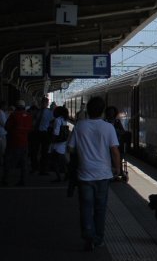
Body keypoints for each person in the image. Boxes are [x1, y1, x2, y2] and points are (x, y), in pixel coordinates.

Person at [68, 96, 121, 251]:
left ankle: (88, 236)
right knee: (100, 208)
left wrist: (82, 152)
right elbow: (114, 151)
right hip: (103, 174)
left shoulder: (80, 126)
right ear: (102, 111)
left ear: (88, 110)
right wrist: (117, 169)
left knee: (85, 207)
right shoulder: (108, 127)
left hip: (84, 173)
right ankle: (99, 238)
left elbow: (70, 148)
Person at [3, 100, 33, 186]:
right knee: (24, 162)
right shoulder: (29, 116)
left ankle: (5, 179)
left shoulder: (13, 115)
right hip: (24, 142)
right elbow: (31, 128)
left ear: (16, 106)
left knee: (8, 161)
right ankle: (23, 180)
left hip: (13, 142)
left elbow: (6, 126)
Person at [48, 106, 70, 182]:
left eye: (55, 111)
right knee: (61, 160)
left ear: (58, 112)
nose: (53, 112)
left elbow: (56, 133)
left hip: (56, 144)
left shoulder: (57, 120)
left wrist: (51, 141)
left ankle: (60, 177)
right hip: (62, 143)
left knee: (54, 161)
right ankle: (66, 173)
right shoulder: (64, 120)